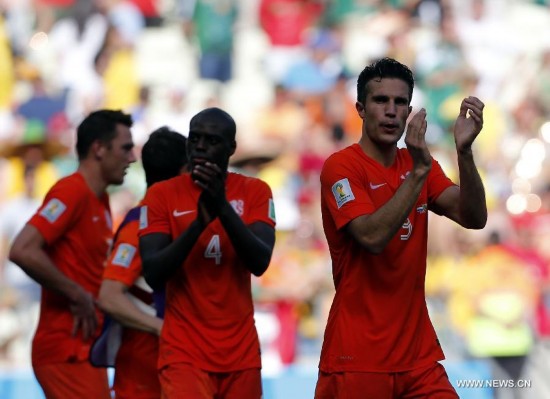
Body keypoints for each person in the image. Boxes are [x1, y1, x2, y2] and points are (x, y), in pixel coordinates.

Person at [315, 57, 487, 398]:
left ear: (409, 109)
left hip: (418, 357)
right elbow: (371, 236)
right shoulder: (341, 167)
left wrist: (464, 153)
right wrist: (419, 174)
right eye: (381, 101)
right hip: (358, 357)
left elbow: (473, 217)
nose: (392, 111)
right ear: (361, 109)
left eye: (400, 102)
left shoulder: (418, 163)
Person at [138, 107, 277, 399]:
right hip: (184, 351)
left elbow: (260, 261)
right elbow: (153, 273)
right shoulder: (161, 195)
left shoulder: (256, 191)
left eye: (212, 141)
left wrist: (222, 208)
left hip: (241, 353)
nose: (200, 146)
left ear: (231, 149)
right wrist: (200, 222)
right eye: (194, 138)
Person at [8, 109, 136, 399]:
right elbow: (22, 249)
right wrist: (76, 293)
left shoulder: (100, 198)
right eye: (125, 148)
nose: (132, 158)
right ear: (99, 149)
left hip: (85, 347)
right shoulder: (71, 191)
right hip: (65, 348)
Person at [95, 126, 188, 399]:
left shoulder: (170, 221)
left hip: (168, 371)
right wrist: (164, 329)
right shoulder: (139, 227)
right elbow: (109, 296)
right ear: (183, 172)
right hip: (144, 376)